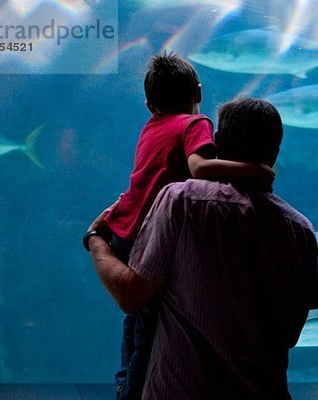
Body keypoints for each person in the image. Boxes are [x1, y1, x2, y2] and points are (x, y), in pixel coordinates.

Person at [86, 98, 318, 399]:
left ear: (217, 143)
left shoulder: (181, 201)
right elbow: (290, 333)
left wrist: (97, 242)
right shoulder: (299, 230)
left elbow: (131, 295)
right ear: (275, 154)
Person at [83, 53, 273, 400]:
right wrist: (253, 169)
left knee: (134, 327)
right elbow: (199, 167)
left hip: (123, 228)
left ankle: (125, 386)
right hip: (148, 231)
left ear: (148, 103)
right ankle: (136, 390)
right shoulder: (193, 124)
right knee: (148, 326)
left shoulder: (150, 126)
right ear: (197, 91)